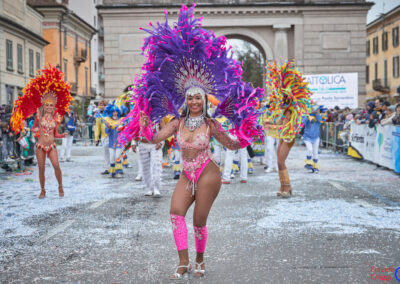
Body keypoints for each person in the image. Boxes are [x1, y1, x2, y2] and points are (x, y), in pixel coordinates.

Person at [117, 5, 263, 279]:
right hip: (187, 173)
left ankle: (200, 259)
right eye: (190, 97)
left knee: (198, 221)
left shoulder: (211, 124)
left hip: (208, 172)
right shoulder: (176, 123)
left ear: (205, 100)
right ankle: (182, 262)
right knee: (175, 212)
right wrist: (144, 122)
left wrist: (244, 135)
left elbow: (231, 145)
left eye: (199, 97)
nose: (195, 101)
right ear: (185, 100)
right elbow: (153, 138)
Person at [10, 66, 72, 198]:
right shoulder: (39, 117)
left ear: (54, 106)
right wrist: (34, 130)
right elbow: (33, 129)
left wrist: (62, 135)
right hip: (40, 146)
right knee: (41, 169)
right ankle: (43, 190)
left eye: (51, 105)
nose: (49, 107)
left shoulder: (56, 119)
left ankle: (60, 186)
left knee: (56, 166)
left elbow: (55, 135)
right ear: (44, 105)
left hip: (52, 146)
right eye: (47, 105)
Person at [264, 61, 312, 198]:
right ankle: (284, 186)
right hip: (283, 136)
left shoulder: (291, 110)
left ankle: (287, 186)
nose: (280, 101)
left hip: (288, 136)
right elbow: (281, 121)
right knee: (279, 161)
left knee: (280, 161)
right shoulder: (285, 110)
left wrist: (272, 126)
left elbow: (286, 126)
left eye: (282, 99)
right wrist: (271, 121)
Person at [303, 105, 323, 173]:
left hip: (316, 137)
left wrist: (317, 113)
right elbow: (303, 123)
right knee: (310, 149)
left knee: (315, 152)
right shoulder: (306, 116)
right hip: (307, 137)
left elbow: (320, 121)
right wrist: (307, 115)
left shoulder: (318, 116)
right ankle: (309, 164)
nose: (314, 110)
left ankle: (315, 167)